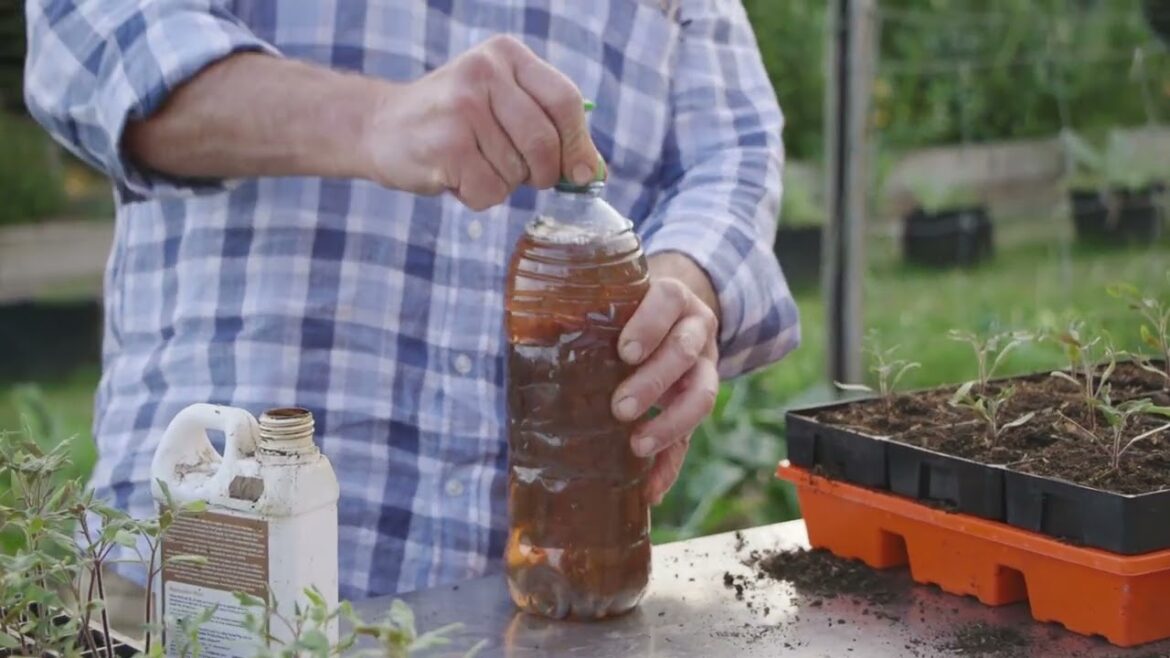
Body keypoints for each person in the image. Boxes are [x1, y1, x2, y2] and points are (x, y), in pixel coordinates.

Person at [24, 0, 800, 630]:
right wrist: (370, 120)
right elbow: (89, 34)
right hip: (214, 579)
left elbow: (733, 150)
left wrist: (679, 283)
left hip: (545, 607)